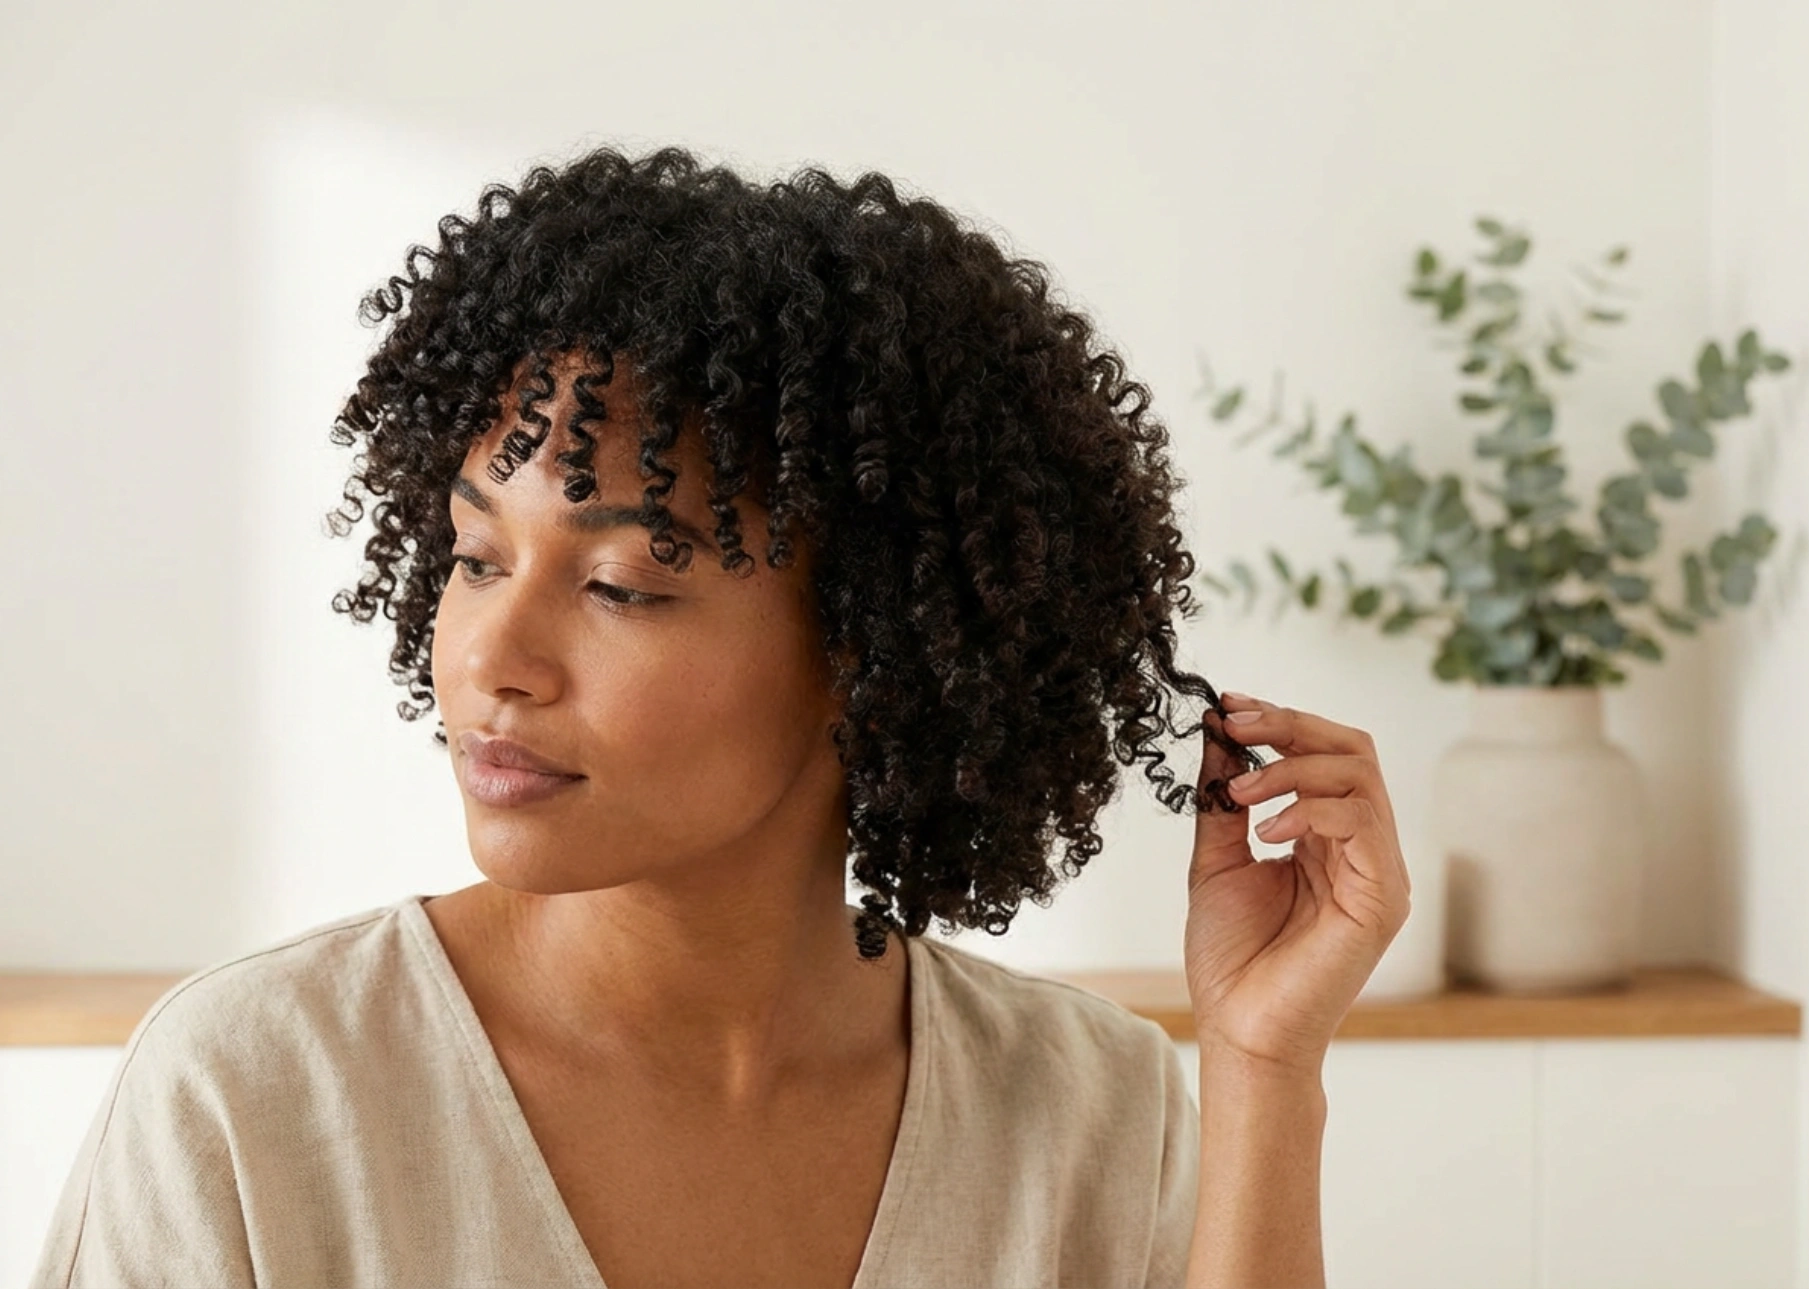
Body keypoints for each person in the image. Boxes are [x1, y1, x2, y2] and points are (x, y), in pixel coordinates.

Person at [30, 145, 1410, 1289]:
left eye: (621, 584)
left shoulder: (1090, 1112)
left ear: (870, 649)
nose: (492, 662)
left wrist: (1264, 1067)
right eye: (473, 558)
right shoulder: (257, 1096)